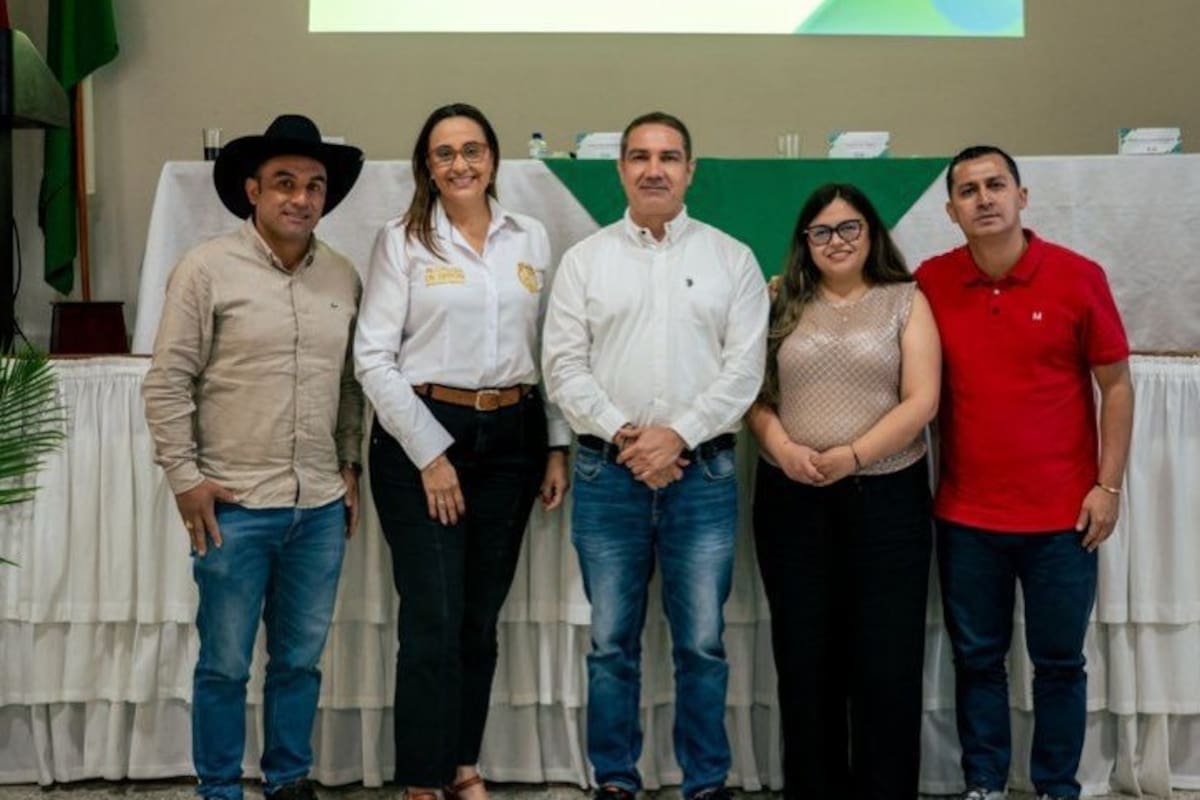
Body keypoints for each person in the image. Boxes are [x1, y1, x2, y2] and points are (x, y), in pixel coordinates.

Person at [542, 111, 768, 800]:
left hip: (703, 475)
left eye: (669, 156)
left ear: (690, 169)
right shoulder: (586, 261)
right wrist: (628, 438)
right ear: (621, 170)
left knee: (701, 643)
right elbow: (563, 367)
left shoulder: (732, 258)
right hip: (607, 476)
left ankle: (705, 781)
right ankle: (616, 779)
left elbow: (744, 370)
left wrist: (679, 435)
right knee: (612, 646)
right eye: (639, 156)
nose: (654, 169)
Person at [142, 114, 365, 800]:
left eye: (314, 186)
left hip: (320, 509)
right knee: (226, 665)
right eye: (284, 184)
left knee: (299, 662)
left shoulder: (343, 275)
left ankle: (289, 780)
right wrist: (185, 479)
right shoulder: (206, 269)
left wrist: (349, 469)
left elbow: (352, 388)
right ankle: (218, 788)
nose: (300, 198)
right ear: (252, 191)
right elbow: (167, 380)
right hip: (234, 506)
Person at [354, 102, 570, 800]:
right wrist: (431, 454)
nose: (460, 164)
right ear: (426, 165)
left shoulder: (530, 236)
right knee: (433, 617)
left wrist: (557, 446)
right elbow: (372, 359)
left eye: (472, 150)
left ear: (494, 159)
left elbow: (550, 351)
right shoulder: (402, 241)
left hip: (512, 440)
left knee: (479, 619)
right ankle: (421, 780)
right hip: (422, 436)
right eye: (444, 153)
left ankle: (462, 766)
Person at [915, 146, 1134, 800]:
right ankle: (983, 784)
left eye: (996, 185)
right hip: (966, 519)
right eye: (968, 191)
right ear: (951, 210)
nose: (984, 199)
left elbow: (1116, 386)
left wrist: (1109, 485)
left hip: (1063, 521)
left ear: (1022, 195)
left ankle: (1055, 788)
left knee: (1059, 666)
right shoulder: (929, 282)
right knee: (978, 663)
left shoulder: (1077, 276)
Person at [747, 183, 941, 800]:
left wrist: (853, 456)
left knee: (885, 661)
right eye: (822, 231)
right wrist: (781, 449)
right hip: (791, 501)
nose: (837, 241)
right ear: (805, 240)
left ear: (872, 233)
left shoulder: (906, 300)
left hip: (886, 502)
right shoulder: (778, 300)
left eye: (849, 228)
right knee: (805, 661)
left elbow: (922, 400)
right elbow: (751, 392)